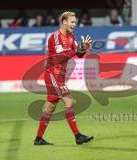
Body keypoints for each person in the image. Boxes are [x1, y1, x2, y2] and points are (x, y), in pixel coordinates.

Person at [34, 11, 93, 145]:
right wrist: (78, 50)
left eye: (75, 22)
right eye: (72, 22)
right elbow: (60, 57)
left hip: (59, 76)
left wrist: (84, 49)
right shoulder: (55, 37)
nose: (74, 25)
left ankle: (38, 138)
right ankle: (78, 136)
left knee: (50, 107)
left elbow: (78, 56)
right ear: (64, 21)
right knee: (69, 101)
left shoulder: (71, 37)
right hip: (52, 74)